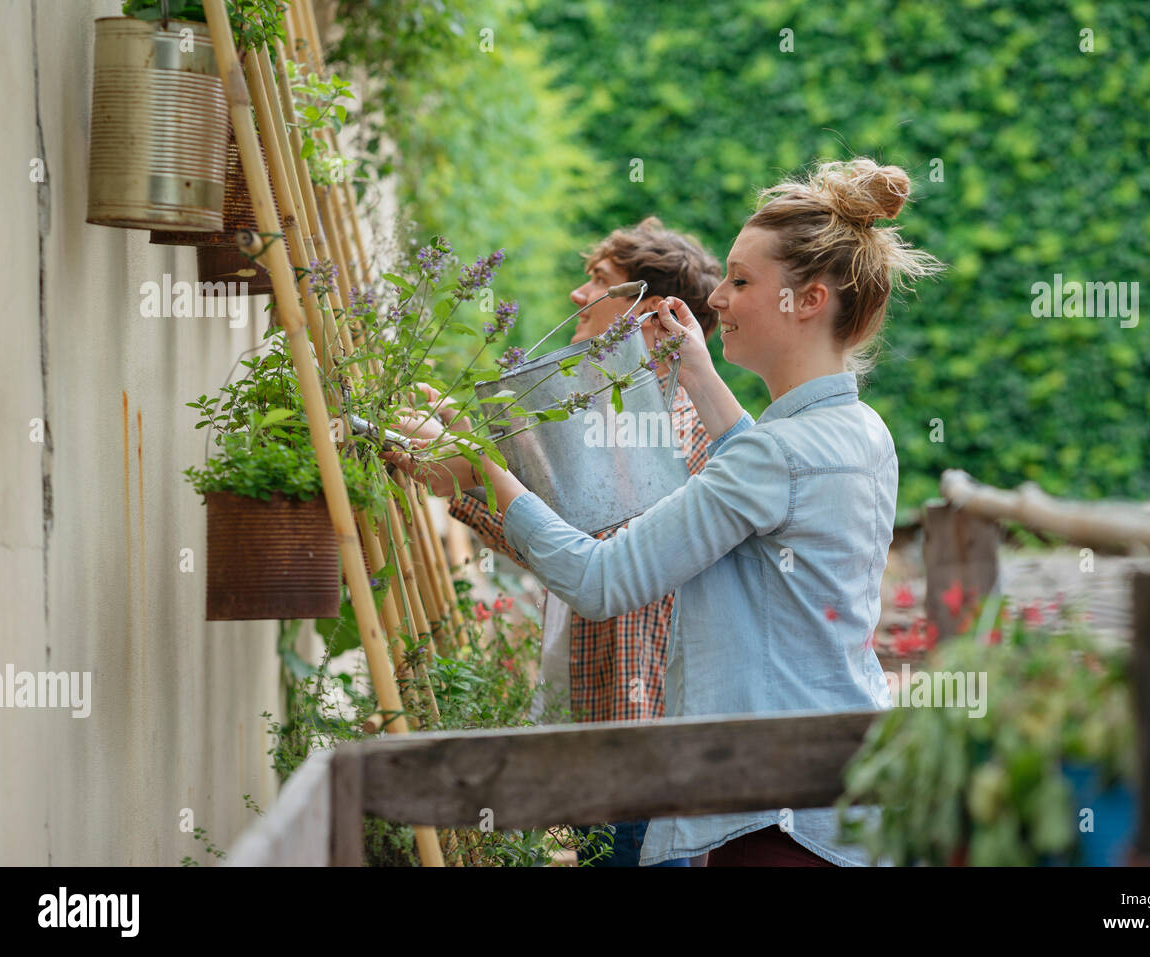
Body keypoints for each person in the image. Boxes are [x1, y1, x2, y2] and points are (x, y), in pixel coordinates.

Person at [390, 156, 944, 866]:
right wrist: (702, 376)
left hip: (773, 820)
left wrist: (484, 465)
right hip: (833, 788)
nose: (718, 300)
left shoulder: (774, 458)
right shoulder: (857, 430)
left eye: (742, 282)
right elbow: (766, 477)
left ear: (806, 300)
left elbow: (600, 579)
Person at [399, 218, 723, 867]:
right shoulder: (616, 428)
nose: (577, 295)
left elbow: (604, 571)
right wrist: (466, 475)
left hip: (639, 768)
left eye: (598, 281)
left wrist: (472, 474)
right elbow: (569, 547)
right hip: (600, 753)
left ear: (654, 317)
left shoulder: (678, 436)